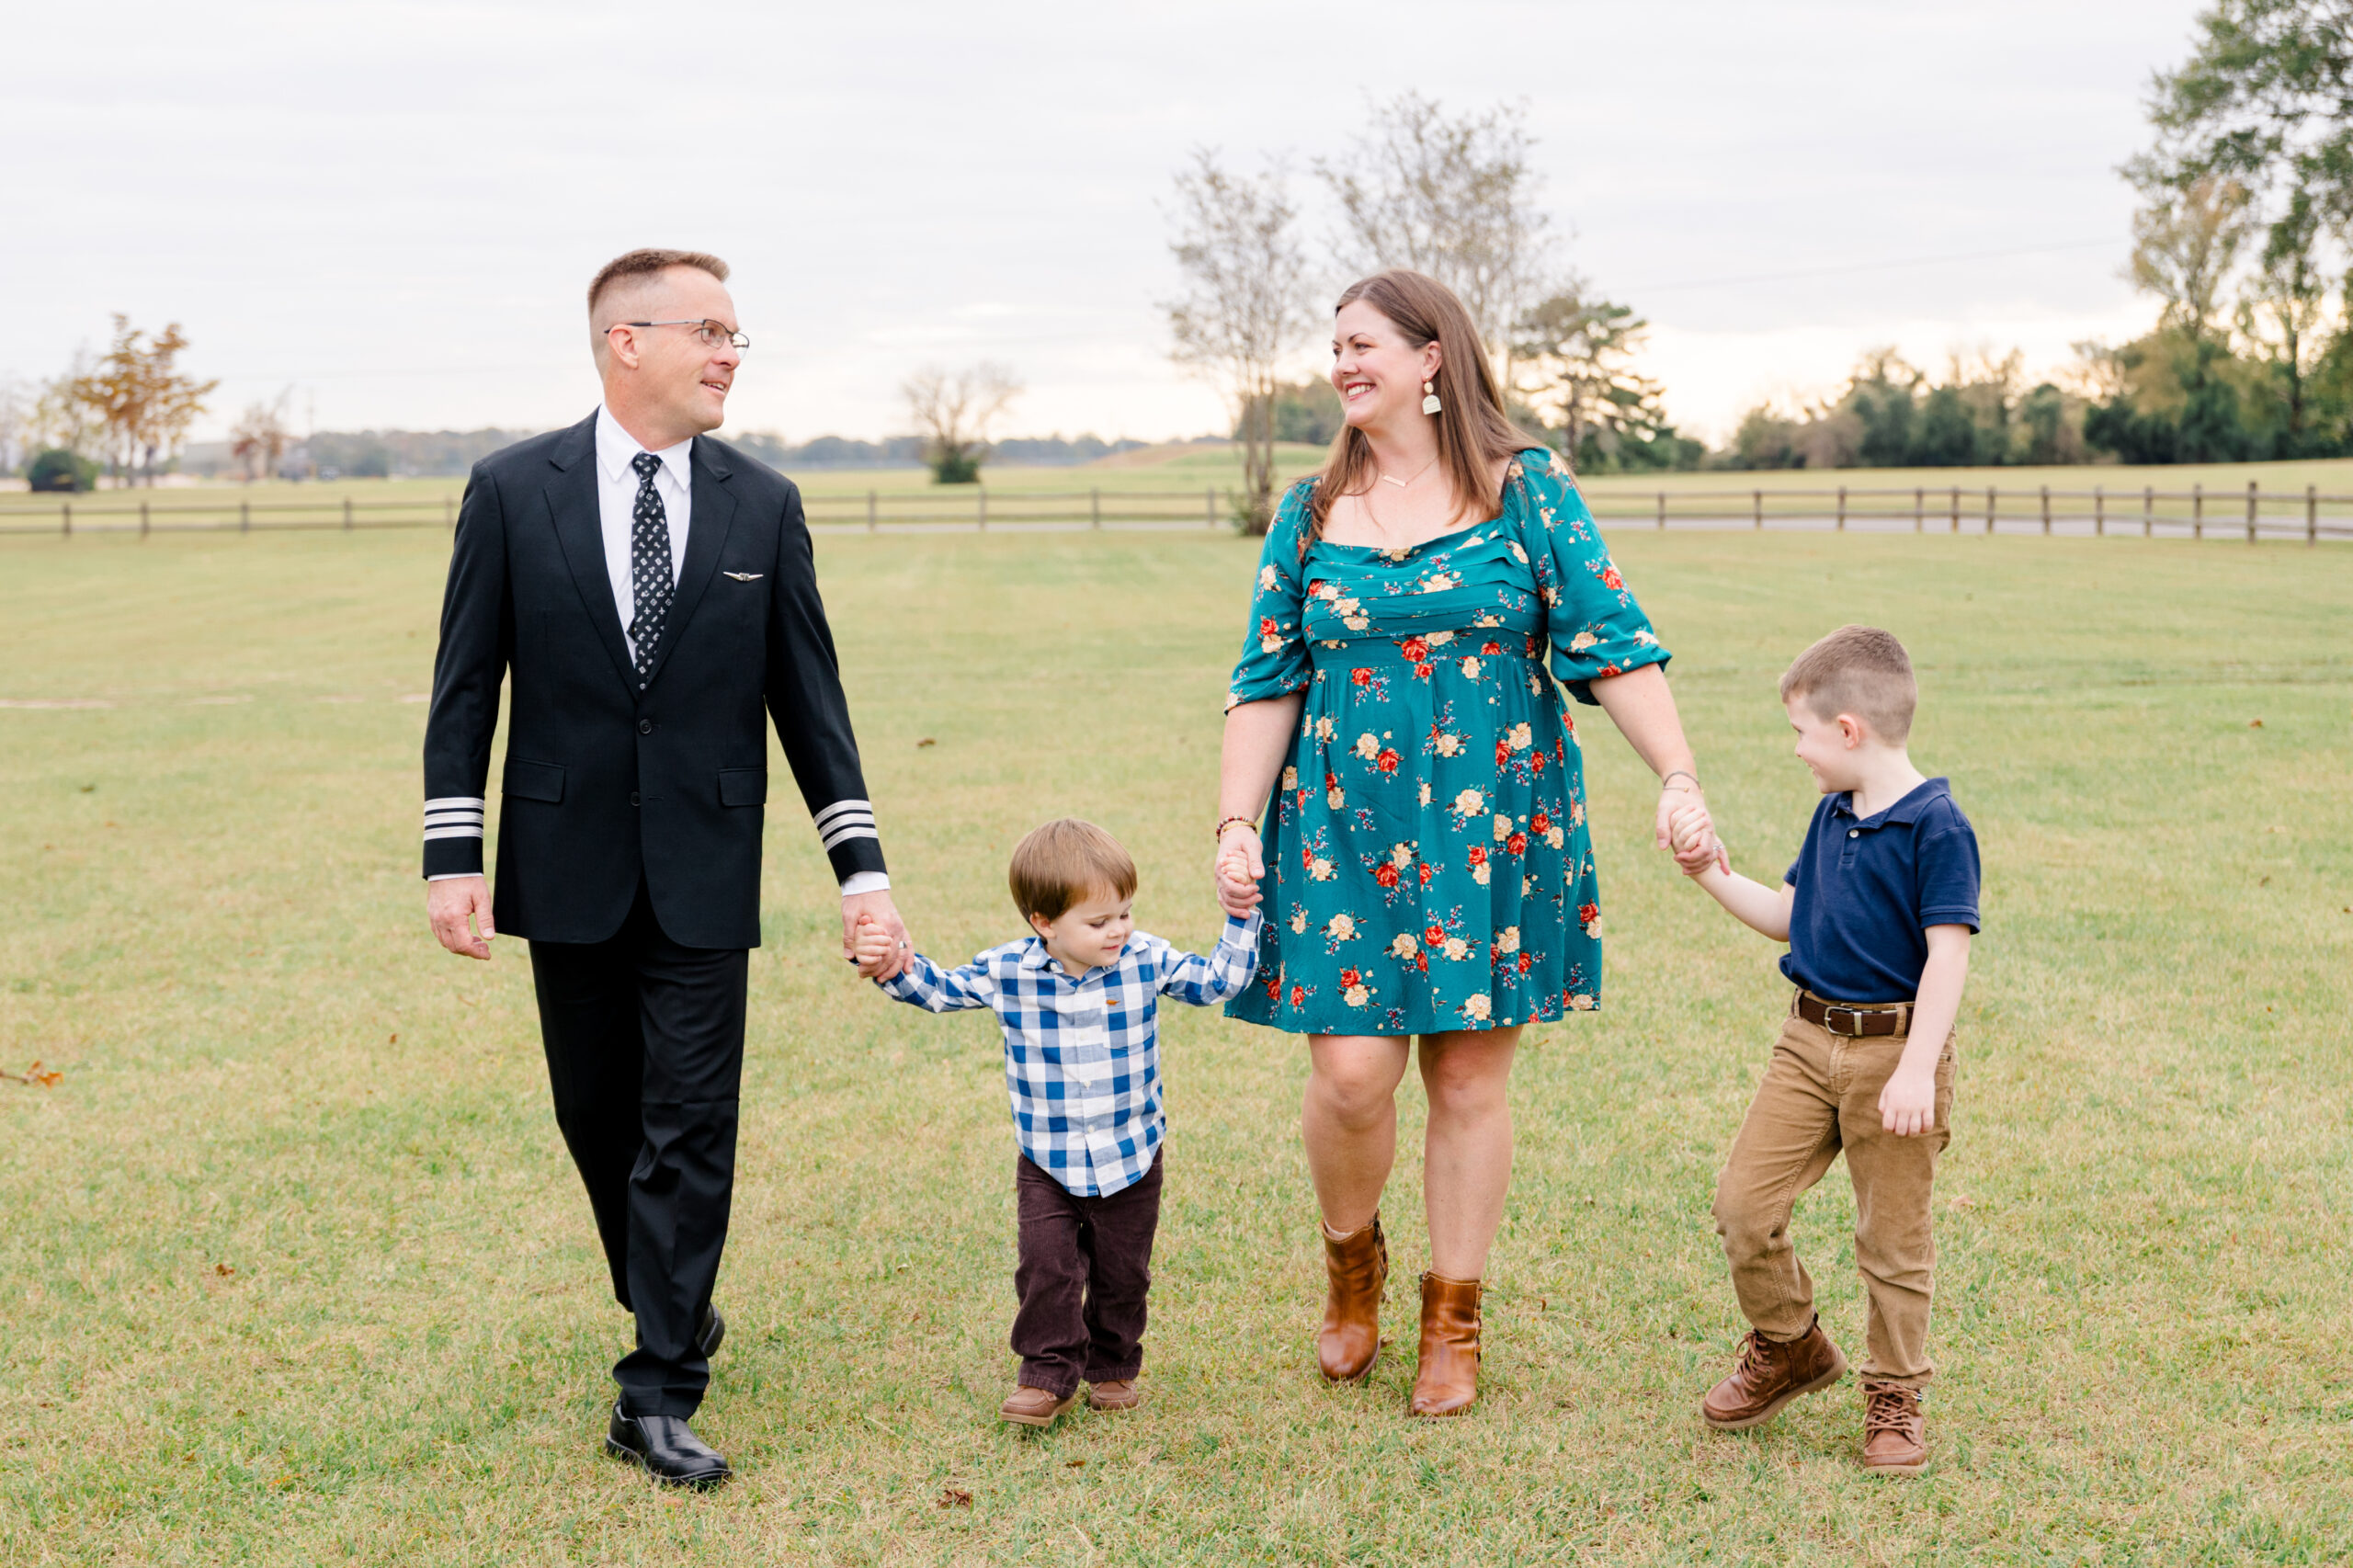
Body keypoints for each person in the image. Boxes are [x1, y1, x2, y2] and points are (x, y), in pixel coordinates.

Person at [421, 247, 914, 1488]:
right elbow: (465, 681)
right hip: (561, 861)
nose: (730, 352)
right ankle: (675, 1303)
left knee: (689, 1122)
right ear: (623, 342)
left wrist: (863, 872)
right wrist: (451, 854)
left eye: (737, 333)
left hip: (706, 868)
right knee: (601, 1120)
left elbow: (813, 702)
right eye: (709, 329)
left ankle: (656, 1385)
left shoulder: (764, 502)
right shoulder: (507, 488)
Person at [1212, 268, 1718, 1418]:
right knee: (1349, 1072)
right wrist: (1237, 818)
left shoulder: (1522, 488)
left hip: (1495, 821)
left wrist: (1677, 775)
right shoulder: (1306, 511)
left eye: (1363, 344)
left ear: (1431, 356)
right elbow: (1264, 678)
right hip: (1344, 820)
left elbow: (1610, 641)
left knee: (1469, 1073)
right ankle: (1353, 1266)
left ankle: (1454, 1312)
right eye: (1334, 347)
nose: (1342, 363)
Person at [1665, 625, 1979, 1476]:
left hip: (1894, 1058)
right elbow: (1784, 915)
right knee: (1744, 1205)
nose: (1796, 751)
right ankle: (1790, 1344)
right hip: (1807, 1043)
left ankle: (1896, 1397)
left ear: (1849, 730)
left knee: (1893, 1243)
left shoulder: (1936, 826)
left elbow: (1948, 953)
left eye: (1801, 732)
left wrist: (1917, 1066)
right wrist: (1706, 871)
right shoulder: (1832, 812)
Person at [855, 819, 1260, 1427]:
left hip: (1132, 1153)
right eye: (1098, 922)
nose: (1118, 930)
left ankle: (1114, 1364)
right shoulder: (1009, 972)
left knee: (1124, 1273)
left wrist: (1239, 916)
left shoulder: (1144, 958)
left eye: (1124, 913)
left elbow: (1218, 982)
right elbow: (938, 989)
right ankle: (1045, 1374)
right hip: (1048, 1160)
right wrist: (890, 964)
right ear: (1043, 922)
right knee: (1047, 1267)